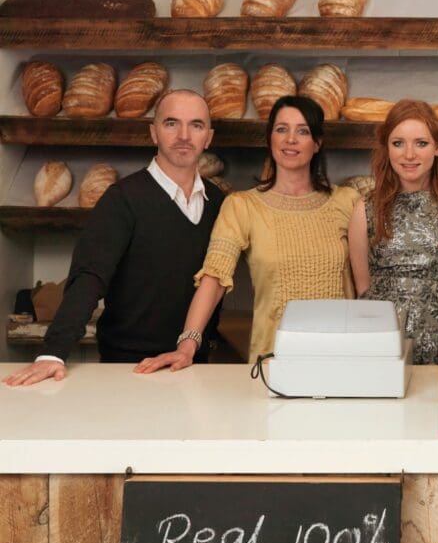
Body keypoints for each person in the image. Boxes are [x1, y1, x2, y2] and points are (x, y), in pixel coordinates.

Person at [3, 90, 224, 386]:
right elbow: (89, 276)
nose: (184, 135)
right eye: (171, 123)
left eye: (195, 125)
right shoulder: (122, 199)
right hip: (128, 367)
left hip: (193, 365)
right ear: (154, 133)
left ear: (208, 137)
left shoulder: (218, 203)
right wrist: (53, 352)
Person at [135, 95, 359, 372]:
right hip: (274, 362)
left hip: (345, 359)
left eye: (302, 131)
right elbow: (215, 276)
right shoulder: (243, 206)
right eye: (281, 129)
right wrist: (188, 344)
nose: (290, 139)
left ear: (317, 143)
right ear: (270, 139)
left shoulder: (347, 202)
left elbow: (367, 285)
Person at [348, 99, 438, 364]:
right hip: (384, 350)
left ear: (437, 148)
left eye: (421, 143)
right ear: (387, 149)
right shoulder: (365, 210)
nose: (409, 155)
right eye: (398, 143)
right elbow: (364, 291)